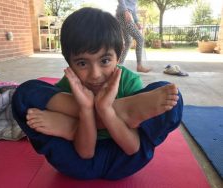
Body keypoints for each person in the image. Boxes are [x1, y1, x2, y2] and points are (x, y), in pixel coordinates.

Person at [12, 7, 183, 180]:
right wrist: (85, 109)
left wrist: (107, 110)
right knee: (24, 94)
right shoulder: (69, 85)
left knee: (173, 97)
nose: (95, 74)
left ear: (119, 54)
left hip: (123, 161)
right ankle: (105, 115)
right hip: (78, 163)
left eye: (105, 60)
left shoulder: (129, 81)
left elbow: (132, 148)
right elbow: (85, 153)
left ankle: (119, 110)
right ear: (69, 63)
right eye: (82, 63)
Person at [116, 0, 151, 72]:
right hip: (123, 13)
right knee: (140, 39)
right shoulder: (125, 11)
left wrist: (136, 21)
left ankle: (118, 65)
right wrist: (125, 11)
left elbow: (133, 9)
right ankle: (139, 66)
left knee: (128, 42)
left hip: (123, 13)